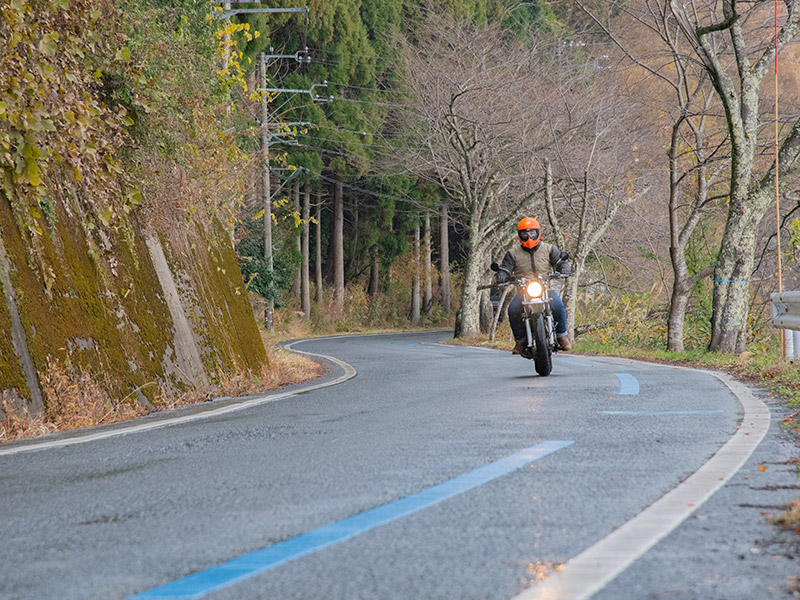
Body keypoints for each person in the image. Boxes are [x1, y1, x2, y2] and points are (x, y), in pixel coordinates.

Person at [495, 217, 571, 354]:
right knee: (513, 310)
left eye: (531, 233)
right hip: (523, 291)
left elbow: (560, 262)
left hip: (545, 289)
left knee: (558, 305)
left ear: (538, 233)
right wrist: (501, 274)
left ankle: (562, 336)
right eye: (525, 233)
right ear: (519, 235)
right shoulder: (512, 253)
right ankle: (520, 340)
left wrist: (564, 267)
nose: (528, 236)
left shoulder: (549, 249)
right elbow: (505, 268)